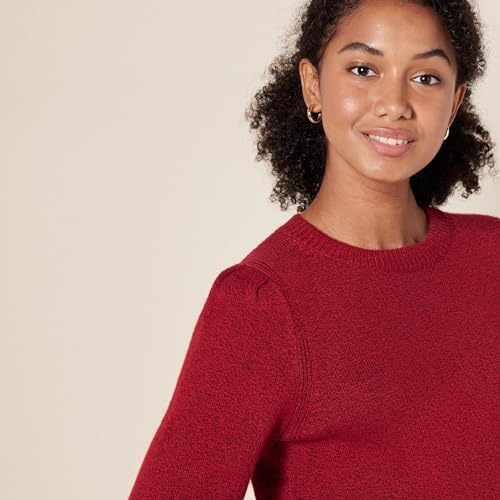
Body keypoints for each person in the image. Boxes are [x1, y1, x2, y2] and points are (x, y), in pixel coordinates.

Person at [129, 0, 499, 497]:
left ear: (455, 102)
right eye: (363, 69)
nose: (394, 103)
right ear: (313, 86)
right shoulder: (260, 304)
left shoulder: (492, 257)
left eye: (426, 78)